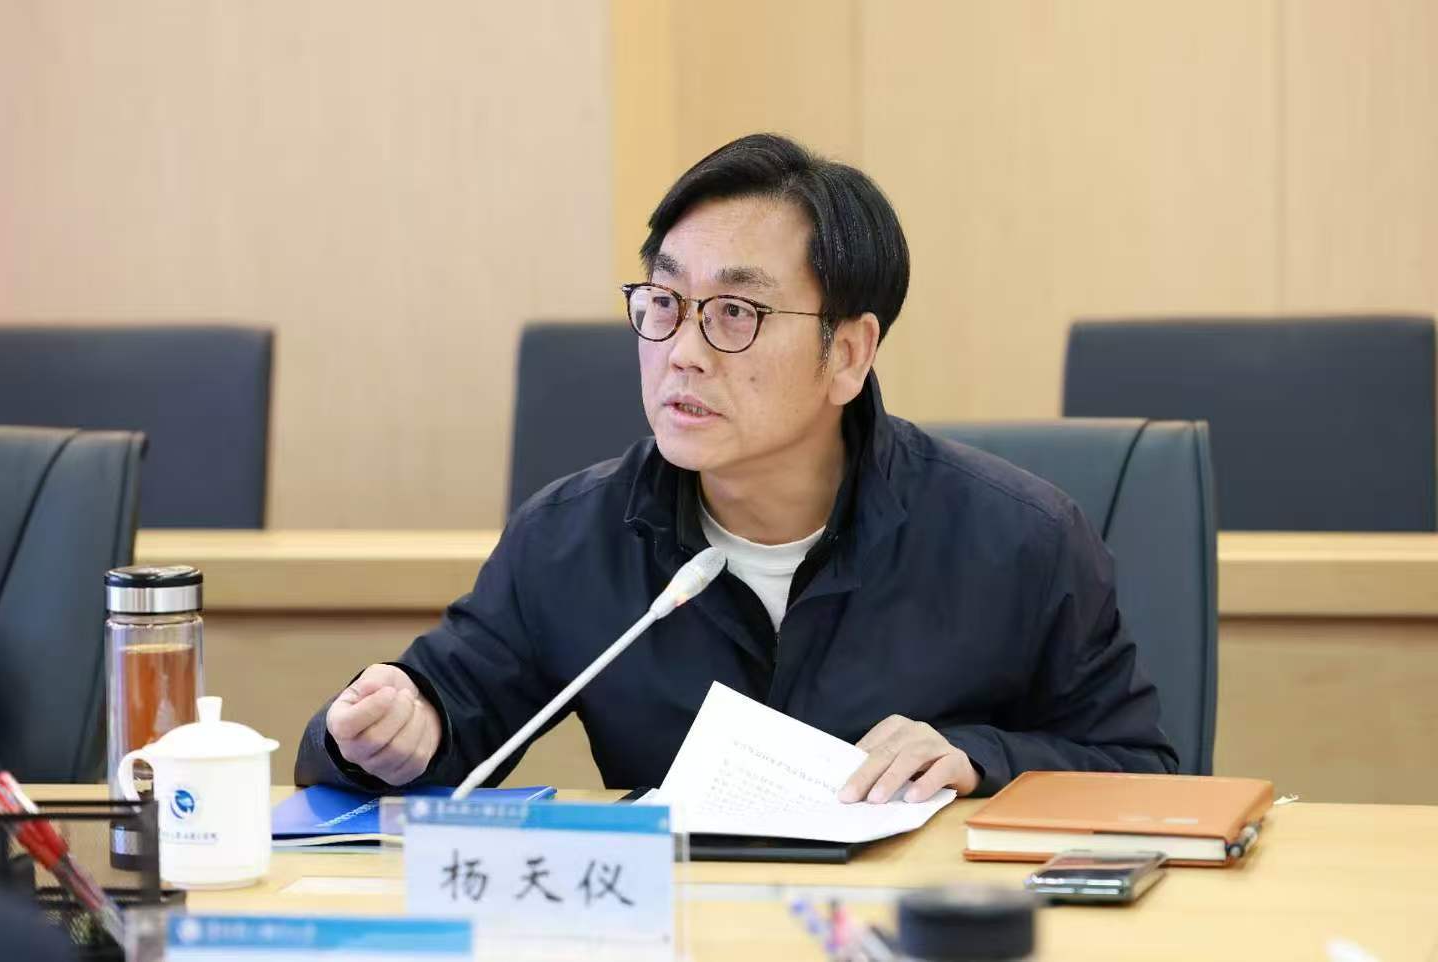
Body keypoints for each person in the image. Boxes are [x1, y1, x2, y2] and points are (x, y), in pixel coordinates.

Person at [296, 133, 1177, 802]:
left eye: (734, 313)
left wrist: (981, 758)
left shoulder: (1018, 540)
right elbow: (440, 720)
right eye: (665, 301)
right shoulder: (573, 538)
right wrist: (388, 729)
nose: (681, 351)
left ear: (848, 353)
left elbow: (1145, 775)